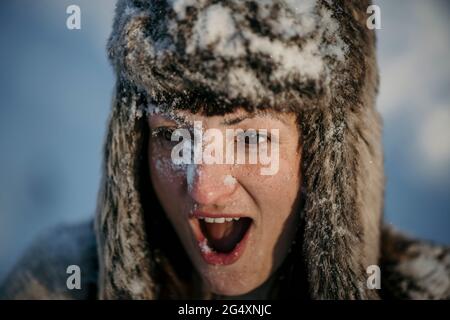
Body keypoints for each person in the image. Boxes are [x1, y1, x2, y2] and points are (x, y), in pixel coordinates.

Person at [1, 0, 449, 300]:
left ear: (327, 156)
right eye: (172, 136)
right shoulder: (53, 283)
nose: (204, 188)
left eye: (251, 138)